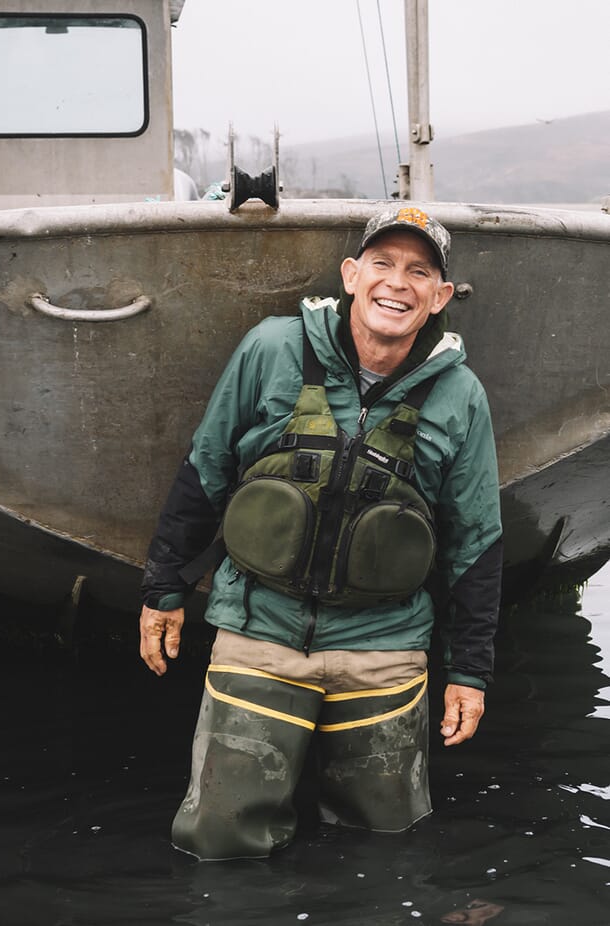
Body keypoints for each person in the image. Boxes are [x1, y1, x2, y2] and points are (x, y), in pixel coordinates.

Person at [139, 206, 503, 861]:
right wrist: (164, 587)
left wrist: (469, 673)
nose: (398, 283)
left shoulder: (461, 394)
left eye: (419, 271)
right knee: (219, 843)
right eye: (383, 264)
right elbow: (208, 466)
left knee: (389, 847)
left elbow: (475, 543)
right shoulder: (271, 347)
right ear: (351, 274)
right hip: (260, 636)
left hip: (385, 649)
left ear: (440, 296)